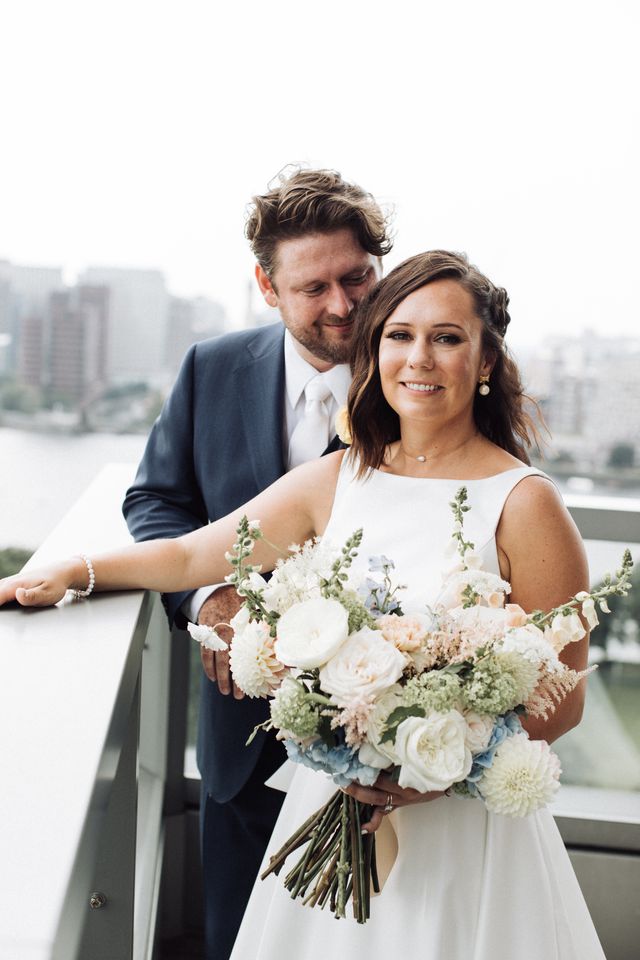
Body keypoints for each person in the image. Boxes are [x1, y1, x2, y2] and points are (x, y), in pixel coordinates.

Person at [0, 250, 606, 959]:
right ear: (376, 351)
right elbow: (195, 554)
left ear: (483, 362)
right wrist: (78, 569)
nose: (419, 358)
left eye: (447, 338)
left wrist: (435, 771)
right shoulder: (343, 474)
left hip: (463, 831)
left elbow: (562, 701)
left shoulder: (526, 502)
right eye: (399, 336)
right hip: (332, 800)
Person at [121, 166, 391, 959]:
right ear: (267, 288)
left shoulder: (422, 375)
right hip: (241, 744)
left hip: (387, 753)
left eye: (357, 277)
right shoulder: (212, 367)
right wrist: (208, 599)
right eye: (314, 287)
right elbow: (157, 504)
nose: (342, 305)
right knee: (238, 941)